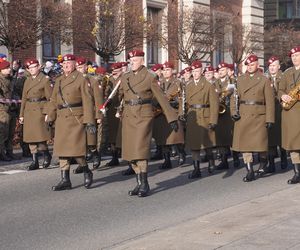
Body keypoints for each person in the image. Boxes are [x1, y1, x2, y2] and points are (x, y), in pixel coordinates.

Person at [119, 49, 178, 197]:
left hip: (143, 116)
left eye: (135, 60)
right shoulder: (125, 77)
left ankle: (145, 183)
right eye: (131, 60)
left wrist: (171, 117)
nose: (132, 62)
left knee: (140, 149)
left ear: (142, 61)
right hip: (128, 116)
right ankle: (139, 183)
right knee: (130, 151)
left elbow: (161, 98)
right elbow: (122, 97)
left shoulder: (149, 76)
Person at [46, 54, 95, 191]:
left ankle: (86, 170)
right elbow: (53, 100)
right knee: (62, 150)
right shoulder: (59, 80)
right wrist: (50, 116)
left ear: (74, 64)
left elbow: (87, 101)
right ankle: (65, 180)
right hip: (61, 117)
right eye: (64, 63)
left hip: (75, 118)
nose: (66, 65)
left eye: (69, 63)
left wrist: (89, 121)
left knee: (76, 150)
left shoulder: (81, 79)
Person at [231, 54, 275, 182]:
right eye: (248, 65)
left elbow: (270, 101)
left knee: (260, 146)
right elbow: (234, 98)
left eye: (252, 64)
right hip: (243, 115)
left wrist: (270, 119)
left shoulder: (264, 80)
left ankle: (263, 161)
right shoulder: (240, 79)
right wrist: (233, 112)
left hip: (259, 116)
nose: (249, 67)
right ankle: (250, 171)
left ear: (257, 65)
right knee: (245, 146)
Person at [179, 60, 219, 178]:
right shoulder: (189, 85)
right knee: (194, 144)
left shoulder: (208, 85)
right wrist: (181, 113)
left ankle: (211, 161)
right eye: (193, 71)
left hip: (204, 115)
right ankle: (196, 169)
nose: (195, 73)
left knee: (206, 143)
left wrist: (213, 120)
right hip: (193, 116)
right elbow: (183, 101)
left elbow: (214, 104)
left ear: (201, 71)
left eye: (197, 71)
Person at [19, 58, 53, 170]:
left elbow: (50, 98)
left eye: (34, 66)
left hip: (39, 110)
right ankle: (35, 161)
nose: (32, 69)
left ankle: (46, 154)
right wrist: (21, 114)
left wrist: (48, 112)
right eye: (30, 68)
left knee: (40, 137)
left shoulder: (45, 80)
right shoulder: (27, 80)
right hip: (28, 110)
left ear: (39, 67)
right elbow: (24, 98)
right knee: (30, 138)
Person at [74, 57, 103, 172]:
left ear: (86, 67)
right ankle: (82, 164)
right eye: (77, 67)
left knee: (91, 139)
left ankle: (95, 154)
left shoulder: (93, 80)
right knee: (79, 140)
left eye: (81, 67)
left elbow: (98, 100)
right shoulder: (74, 80)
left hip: (90, 112)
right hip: (77, 113)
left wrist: (99, 115)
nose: (79, 69)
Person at [260, 56, 287, 174]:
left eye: (274, 65)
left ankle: (283, 158)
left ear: (279, 66)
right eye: (270, 66)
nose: (271, 68)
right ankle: (271, 163)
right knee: (270, 138)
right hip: (269, 111)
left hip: (282, 110)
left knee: (282, 136)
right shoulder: (265, 79)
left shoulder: (284, 76)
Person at [154, 61, 185, 169]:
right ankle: (167, 160)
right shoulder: (159, 83)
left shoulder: (177, 82)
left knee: (176, 136)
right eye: (164, 70)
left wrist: (179, 109)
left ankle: (181, 152)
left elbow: (182, 98)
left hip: (174, 111)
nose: (166, 72)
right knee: (163, 138)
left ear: (172, 71)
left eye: (168, 70)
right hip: (162, 113)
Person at [278, 46, 300, 184]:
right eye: (293, 56)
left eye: (297, 55)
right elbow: (280, 89)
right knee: (293, 145)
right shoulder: (287, 73)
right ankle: (297, 173)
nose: (295, 58)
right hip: (290, 113)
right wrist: (283, 96)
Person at [214, 62, 235, 170]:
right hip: (219, 112)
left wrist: (220, 93)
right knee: (221, 137)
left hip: (229, 111)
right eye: (219, 71)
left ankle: (236, 158)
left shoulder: (232, 81)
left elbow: (231, 91)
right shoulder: (215, 82)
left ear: (227, 70)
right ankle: (224, 160)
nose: (220, 72)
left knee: (232, 135)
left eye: (222, 70)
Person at [105, 62, 123, 166]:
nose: (114, 73)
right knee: (112, 134)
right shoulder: (110, 80)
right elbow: (107, 92)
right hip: (112, 109)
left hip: (121, 108)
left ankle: (128, 158)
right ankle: (114, 157)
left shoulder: (125, 78)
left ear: (121, 70)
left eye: (116, 71)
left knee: (122, 133)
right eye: (113, 72)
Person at [0, 60, 13, 161]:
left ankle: (9, 152)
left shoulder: (10, 79)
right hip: (2, 109)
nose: (9, 69)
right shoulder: (1, 80)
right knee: (3, 133)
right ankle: (2, 153)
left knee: (10, 133)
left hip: (11, 108)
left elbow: (14, 92)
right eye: (7, 68)